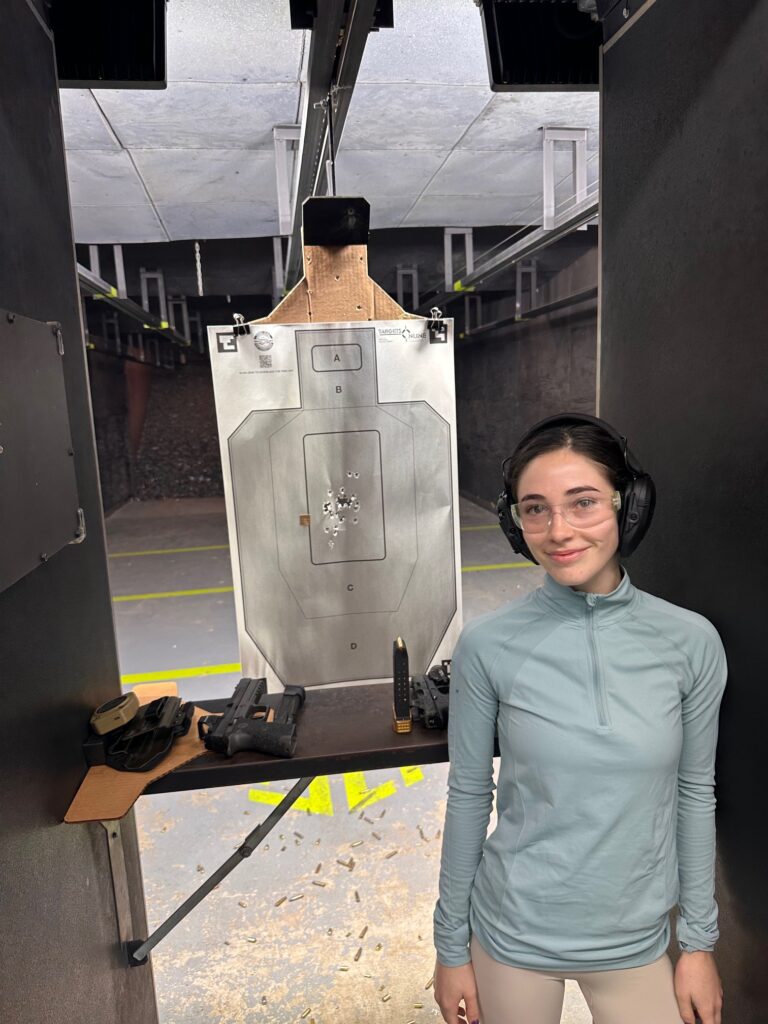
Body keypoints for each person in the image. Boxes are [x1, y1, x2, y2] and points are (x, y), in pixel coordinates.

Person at [432, 414, 726, 1024]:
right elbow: (467, 797)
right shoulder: (487, 646)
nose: (558, 531)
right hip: (511, 932)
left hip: (635, 940)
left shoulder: (690, 643)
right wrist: (450, 948)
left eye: (583, 503)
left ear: (630, 506)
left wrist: (698, 945)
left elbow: (694, 793)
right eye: (534, 509)